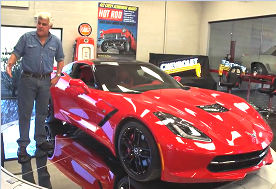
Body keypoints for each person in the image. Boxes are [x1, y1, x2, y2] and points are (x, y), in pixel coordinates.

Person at [6, 12, 64, 163]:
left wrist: (58, 76)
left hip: (45, 81)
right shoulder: (27, 37)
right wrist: (10, 64)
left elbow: (60, 59)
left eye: (44, 24)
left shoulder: (56, 42)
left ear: (49, 26)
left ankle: (40, 141)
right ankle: (23, 145)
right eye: (39, 23)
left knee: (42, 113)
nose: (40, 26)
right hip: (27, 80)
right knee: (24, 113)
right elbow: (16, 53)